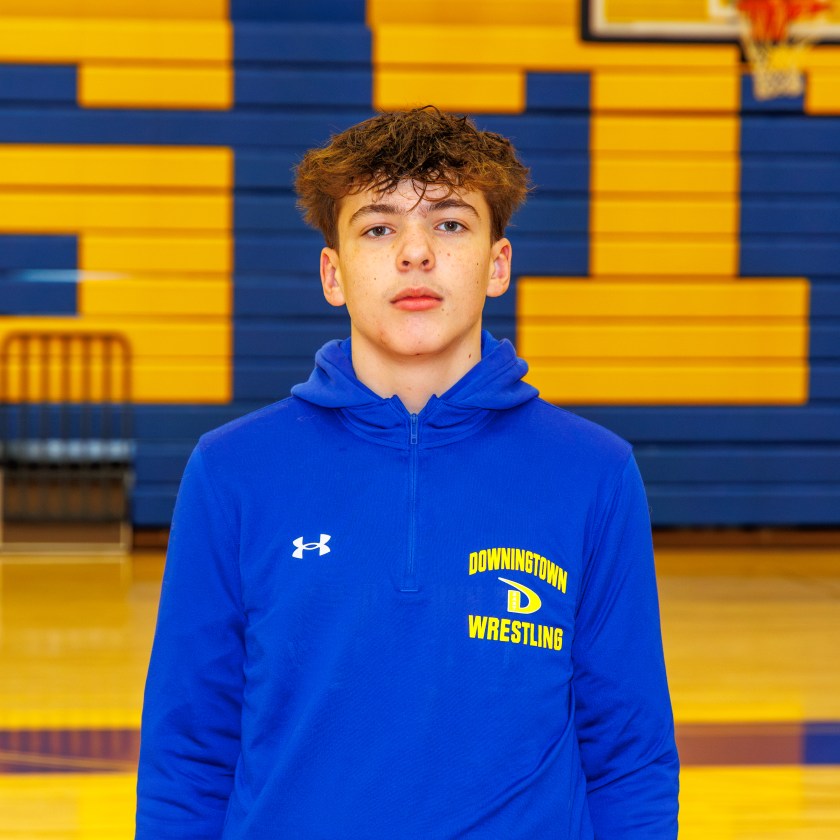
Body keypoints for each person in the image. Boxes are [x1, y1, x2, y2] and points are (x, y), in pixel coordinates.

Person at [135, 106, 679, 839]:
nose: (415, 253)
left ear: (497, 265)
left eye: (450, 224)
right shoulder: (231, 471)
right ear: (333, 273)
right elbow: (186, 756)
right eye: (378, 228)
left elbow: (630, 757)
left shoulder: (594, 473)